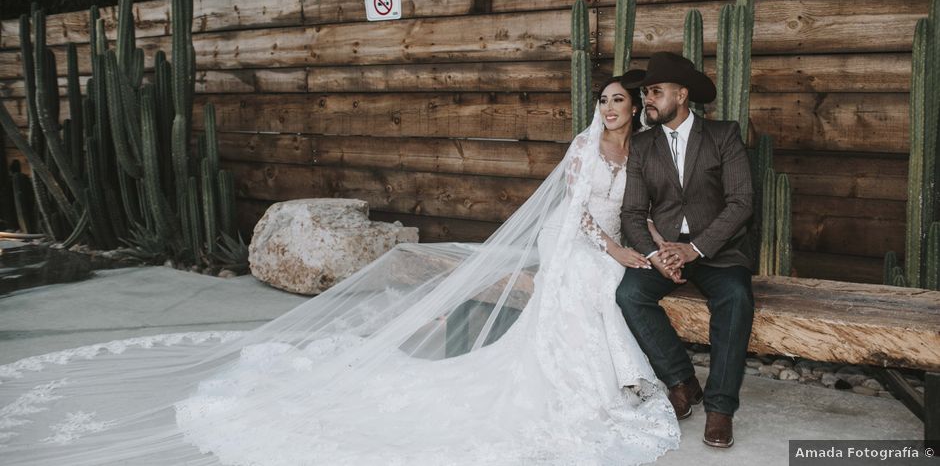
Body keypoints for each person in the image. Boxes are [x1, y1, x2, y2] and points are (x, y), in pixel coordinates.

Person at [0, 74, 681, 465]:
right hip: (580, 240)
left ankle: (616, 383)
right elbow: (576, 209)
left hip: (617, 240)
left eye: (620, 100)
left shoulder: (646, 148)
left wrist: (649, 245)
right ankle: (607, 386)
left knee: (611, 285)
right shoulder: (584, 148)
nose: (611, 107)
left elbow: (642, 206)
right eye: (607, 99)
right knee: (594, 282)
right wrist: (618, 249)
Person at [617, 51, 755, 449]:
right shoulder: (643, 146)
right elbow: (632, 211)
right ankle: (681, 381)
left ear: (681, 94)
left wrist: (695, 248)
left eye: (656, 92)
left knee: (735, 297)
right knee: (628, 294)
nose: (648, 100)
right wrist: (657, 254)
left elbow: (742, 202)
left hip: (718, 251)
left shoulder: (722, 135)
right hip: (664, 252)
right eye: (646, 93)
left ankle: (721, 407)